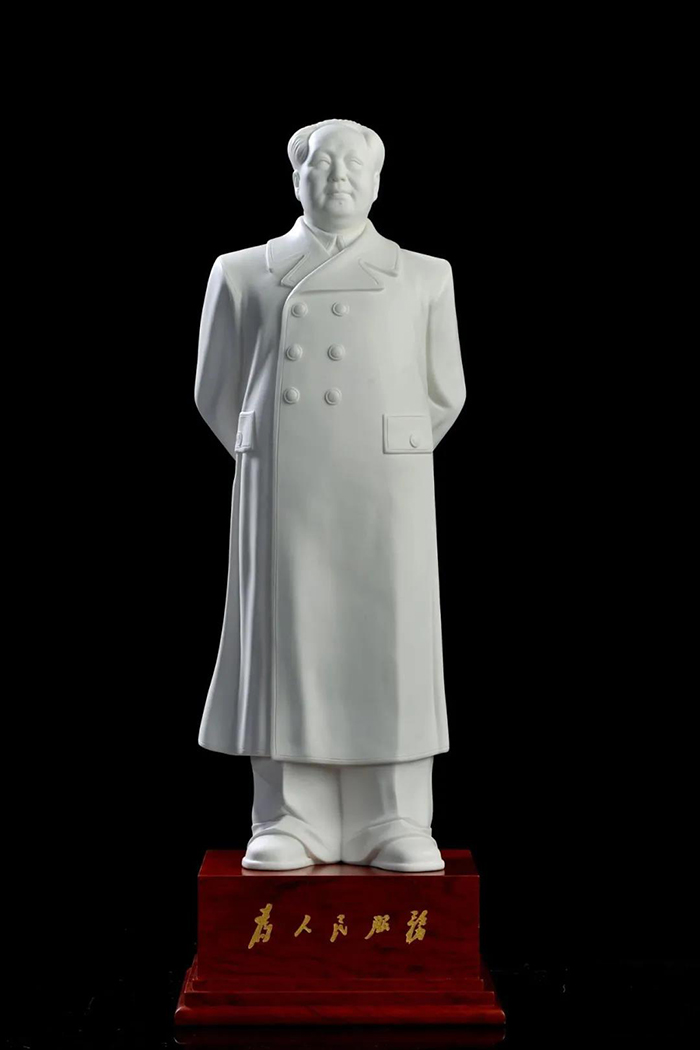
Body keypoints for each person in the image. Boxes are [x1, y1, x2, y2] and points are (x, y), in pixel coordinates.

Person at [194, 118, 466, 871]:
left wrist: (381, 451)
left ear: (378, 182)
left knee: (391, 645)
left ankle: (398, 817)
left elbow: (444, 391)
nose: (338, 176)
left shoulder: (424, 275)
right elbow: (217, 392)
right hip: (287, 490)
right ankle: (290, 816)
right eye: (322, 163)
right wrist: (278, 451)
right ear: (296, 178)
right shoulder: (242, 272)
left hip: (386, 490)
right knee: (291, 642)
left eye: (354, 164)